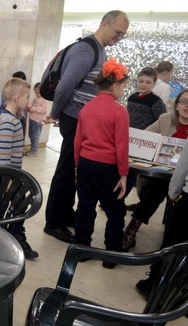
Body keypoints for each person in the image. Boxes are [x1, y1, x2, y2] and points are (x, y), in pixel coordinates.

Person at [44, 10, 130, 244]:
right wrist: (55, 113)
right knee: (66, 170)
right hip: (75, 119)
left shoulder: (99, 50)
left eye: (123, 35)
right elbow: (65, 87)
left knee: (75, 172)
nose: (119, 37)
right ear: (105, 24)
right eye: (117, 32)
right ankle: (54, 222)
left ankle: (65, 213)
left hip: (81, 118)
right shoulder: (86, 49)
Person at [74, 58, 130, 268]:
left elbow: (77, 142)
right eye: (124, 86)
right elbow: (122, 147)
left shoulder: (86, 108)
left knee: (85, 206)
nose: (123, 91)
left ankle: (82, 249)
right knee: (115, 211)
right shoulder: (120, 111)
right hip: (108, 168)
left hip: (86, 163)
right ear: (115, 86)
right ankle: (111, 255)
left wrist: (78, 166)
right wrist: (123, 174)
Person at [122, 89, 188, 251]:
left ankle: (168, 241)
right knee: (158, 187)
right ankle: (133, 227)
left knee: (166, 189)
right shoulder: (165, 119)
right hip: (161, 173)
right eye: (183, 101)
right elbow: (144, 138)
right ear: (177, 105)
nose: (187, 106)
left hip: (184, 179)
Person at [135, 119, 188, 299]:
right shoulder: (166, 118)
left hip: (185, 197)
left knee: (173, 244)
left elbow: (182, 168)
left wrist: (173, 193)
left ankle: (154, 286)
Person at [0, 77, 37, 258]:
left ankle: (10, 234)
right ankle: (15, 236)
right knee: (18, 204)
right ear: (17, 98)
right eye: (26, 97)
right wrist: (7, 180)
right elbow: (2, 153)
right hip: (5, 175)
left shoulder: (10, 118)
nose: (28, 101)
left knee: (14, 205)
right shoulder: (9, 121)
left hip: (9, 174)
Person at [25, 82, 48, 156]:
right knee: (31, 135)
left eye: (38, 93)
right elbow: (31, 104)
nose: (37, 95)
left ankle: (34, 151)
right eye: (35, 93)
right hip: (32, 119)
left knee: (35, 136)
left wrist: (32, 109)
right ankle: (32, 149)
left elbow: (43, 110)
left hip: (38, 121)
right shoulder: (36, 98)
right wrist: (28, 106)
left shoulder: (44, 99)